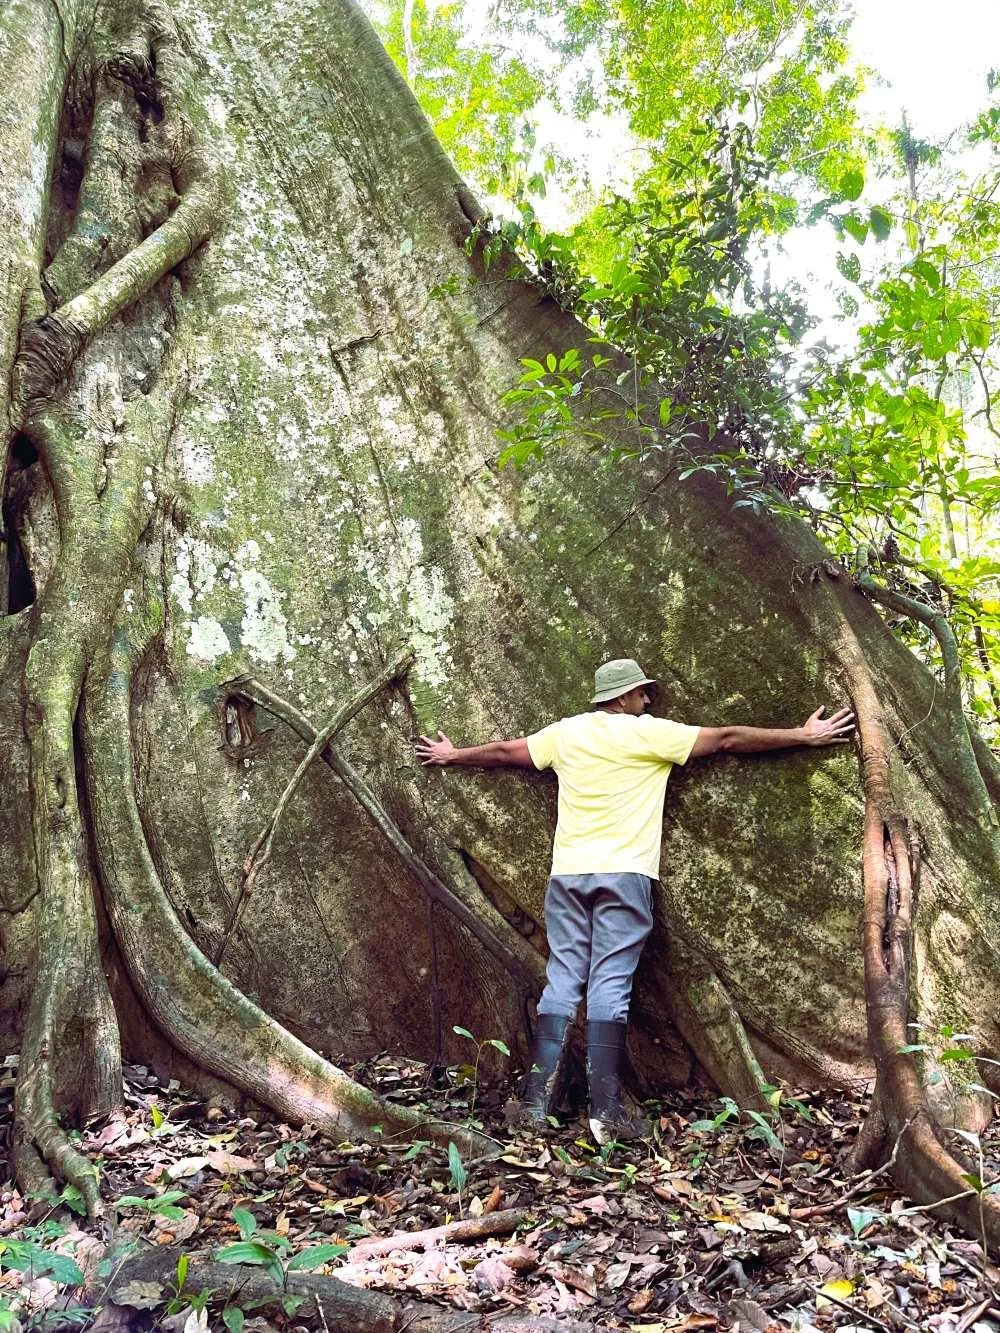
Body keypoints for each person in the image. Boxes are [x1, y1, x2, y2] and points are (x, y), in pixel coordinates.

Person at [414, 657, 854, 1143]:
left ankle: (536, 1105)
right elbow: (728, 739)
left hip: (568, 877)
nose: (649, 701)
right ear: (623, 698)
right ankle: (605, 1113)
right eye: (643, 694)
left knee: (562, 978)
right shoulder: (649, 734)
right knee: (611, 981)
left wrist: (454, 755)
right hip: (624, 876)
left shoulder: (566, 734)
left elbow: (503, 752)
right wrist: (801, 735)